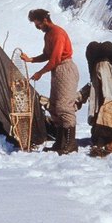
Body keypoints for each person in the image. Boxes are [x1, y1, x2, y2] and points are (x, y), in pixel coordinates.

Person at [21, 9, 79, 155]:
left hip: (65, 68)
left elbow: (55, 59)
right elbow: (48, 55)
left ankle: (70, 144)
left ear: (45, 20)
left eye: (37, 24)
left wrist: (40, 73)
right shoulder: (48, 35)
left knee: (64, 106)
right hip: (57, 70)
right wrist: (31, 60)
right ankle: (60, 143)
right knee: (54, 106)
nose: (37, 28)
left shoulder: (58, 34)